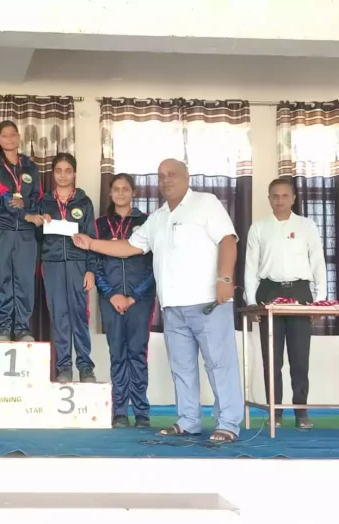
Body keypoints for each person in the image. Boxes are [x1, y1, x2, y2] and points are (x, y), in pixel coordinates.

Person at [73, 158, 243, 442]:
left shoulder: (206, 202)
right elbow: (128, 246)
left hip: (208, 303)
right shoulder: (158, 218)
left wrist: (225, 278)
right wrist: (91, 243)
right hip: (172, 308)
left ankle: (228, 423)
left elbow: (228, 240)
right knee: (181, 367)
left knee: (219, 364)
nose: (166, 180)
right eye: (161, 175)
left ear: (187, 176)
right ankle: (189, 420)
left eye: (172, 174)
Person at [244, 178, 326, 429]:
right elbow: (250, 267)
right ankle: (275, 413)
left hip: (300, 292)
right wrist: (251, 302)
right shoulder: (258, 228)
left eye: (284, 196)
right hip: (269, 292)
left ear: (293, 198)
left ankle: (300, 412)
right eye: (275, 196)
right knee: (272, 359)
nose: (279, 200)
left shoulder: (307, 226)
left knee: (300, 357)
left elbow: (318, 262)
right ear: (269, 198)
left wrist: (319, 301)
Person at [95, 174, 156, 428]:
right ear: (110, 193)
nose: (120, 193)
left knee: (137, 354)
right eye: (116, 189)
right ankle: (119, 410)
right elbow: (94, 263)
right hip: (110, 299)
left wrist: (134, 296)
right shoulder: (99, 225)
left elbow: (156, 265)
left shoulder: (148, 222)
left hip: (140, 299)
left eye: (125, 189)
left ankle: (141, 412)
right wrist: (111, 294)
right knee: (117, 353)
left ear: (133, 192)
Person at [30, 153, 97, 383]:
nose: (63, 175)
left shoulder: (84, 202)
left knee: (80, 315)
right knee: (59, 316)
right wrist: (41, 221)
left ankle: (86, 366)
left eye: (68, 170)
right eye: (58, 170)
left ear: (74, 173)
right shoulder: (45, 202)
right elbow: (37, 237)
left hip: (78, 264)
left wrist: (90, 269)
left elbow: (92, 238)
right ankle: (64, 367)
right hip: (52, 265)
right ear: (53, 173)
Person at [0, 121, 43, 342]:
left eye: (13, 134)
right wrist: (25, 213)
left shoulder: (30, 166)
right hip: (1, 227)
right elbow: (3, 193)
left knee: (25, 280)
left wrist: (28, 210)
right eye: (4, 135)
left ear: (19, 138)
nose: (9, 139)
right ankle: (4, 327)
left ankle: (22, 328)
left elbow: (37, 195)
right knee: (3, 279)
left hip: (26, 232)